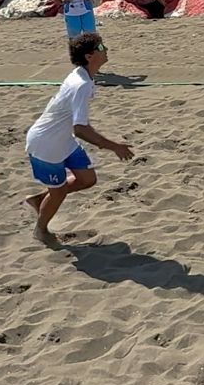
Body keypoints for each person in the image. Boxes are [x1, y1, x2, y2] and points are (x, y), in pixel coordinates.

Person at [23, 32, 134, 246]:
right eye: (101, 48)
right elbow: (80, 128)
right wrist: (114, 147)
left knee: (87, 179)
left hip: (63, 140)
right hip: (46, 144)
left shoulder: (83, 75)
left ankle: (38, 200)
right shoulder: (81, 84)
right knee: (59, 191)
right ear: (90, 56)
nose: (106, 50)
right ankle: (41, 229)